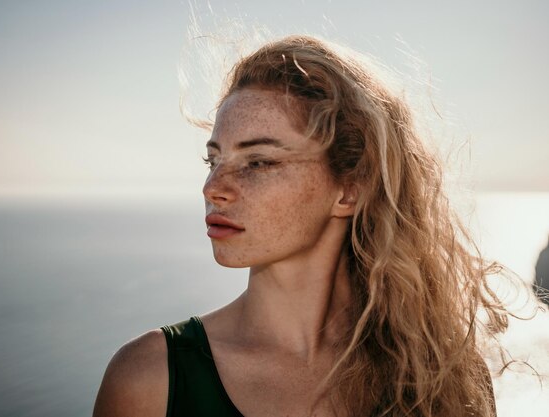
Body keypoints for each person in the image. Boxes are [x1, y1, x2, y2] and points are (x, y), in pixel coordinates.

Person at [93, 35, 506, 417]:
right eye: (213, 159)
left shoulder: (443, 378)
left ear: (349, 190)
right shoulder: (150, 380)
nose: (213, 187)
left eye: (258, 162)